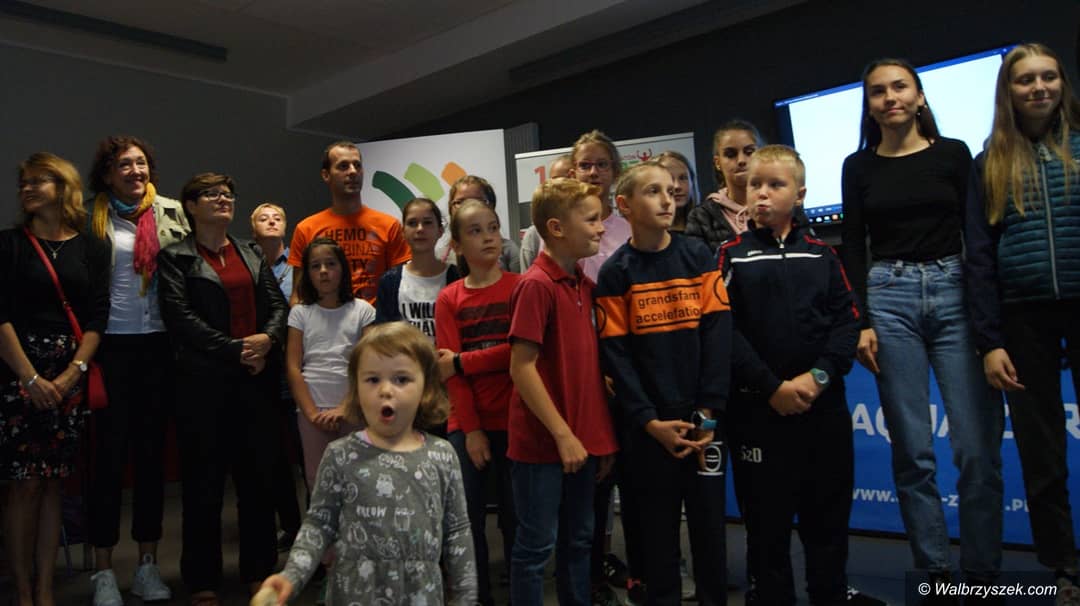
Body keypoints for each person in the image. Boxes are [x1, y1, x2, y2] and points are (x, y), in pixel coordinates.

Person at [840, 59, 1003, 592]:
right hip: (889, 298)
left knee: (975, 449)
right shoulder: (857, 166)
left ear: (920, 96)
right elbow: (854, 247)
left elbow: (977, 236)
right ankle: (935, 573)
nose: (890, 97)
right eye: (878, 91)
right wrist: (862, 319)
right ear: (869, 106)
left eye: (900, 87)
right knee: (913, 451)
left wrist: (986, 317)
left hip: (955, 291)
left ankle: (981, 576)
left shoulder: (954, 154)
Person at [720, 145, 868, 606]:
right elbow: (723, 329)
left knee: (828, 523)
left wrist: (818, 378)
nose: (761, 193)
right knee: (766, 528)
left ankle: (830, 594)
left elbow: (847, 322)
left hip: (823, 412)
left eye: (775, 184)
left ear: (799, 195)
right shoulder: (730, 256)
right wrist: (772, 387)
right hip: (758, 413)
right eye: (754, 185)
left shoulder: (823, 255)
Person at [965, 42, 1080, 601]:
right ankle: (1063, 567)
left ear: (1062, 83)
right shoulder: (989, 163)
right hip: (1023, 317)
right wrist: (990, 341)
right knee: (1042, 451)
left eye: (1048, 77)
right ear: (1008, 91)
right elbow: (980, 256)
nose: (1038, 88)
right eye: (1025, 80)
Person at [258, 321, 478, 606]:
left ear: (425, 387)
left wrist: (466, 598)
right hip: (353, 596)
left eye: (401, 379)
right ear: (356, 389)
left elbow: (458, 533)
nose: (386, 390)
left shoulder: (442, 455)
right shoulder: (340, 455)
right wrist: (291, 576)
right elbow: (318, 525)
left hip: (420, 597)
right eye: (373, 380)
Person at [595, 161, 730, 605]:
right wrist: (650, 421)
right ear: (624, 205)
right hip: (649, 431)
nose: (667, 200)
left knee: (710, 533)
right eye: (653, 192)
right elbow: (617, 357)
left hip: (703, 422)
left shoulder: (698, 255)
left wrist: (708, 410)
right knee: (657, 539)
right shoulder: (615, 273)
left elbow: (718, 334)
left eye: (671, 192)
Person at [157, 172, 288, 605]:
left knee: (257, 484)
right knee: (203, 487)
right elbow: (180, 318)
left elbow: (278, 306)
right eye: (211, 194)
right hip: (202, 386)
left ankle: (259, 570)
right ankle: (202, 580)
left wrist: (267, 340)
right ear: (191, 206)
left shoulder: (250, 251)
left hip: (254, 384)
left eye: (227, 193)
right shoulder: (175, 257)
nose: (222, 199)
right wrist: (236, 349)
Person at [81, 135, 186, 606]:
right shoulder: (88, 217)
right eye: (124, 164)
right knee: (107, 461)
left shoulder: (171, 213)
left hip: (158, 346)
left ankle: (147, 565)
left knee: (150, 459)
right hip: (110, 348)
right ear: (107, 174)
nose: (135, 171)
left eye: (141, 163)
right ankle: (103, 571)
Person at [1, 152, 110, 606]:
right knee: (24, 485)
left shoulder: (92, 247)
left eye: (38, 180)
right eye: (23, 182)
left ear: (63, 187)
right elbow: (0, 317)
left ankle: (46, 590)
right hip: (17, 373)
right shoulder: (8, 244)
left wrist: (72, 374)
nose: (27, 188)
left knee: (53, 485)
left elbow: (97, 317)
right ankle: (23, 592)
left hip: (70, 374)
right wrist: (29, 378)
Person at [507, 177, 618, 606]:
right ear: (556, 228)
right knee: (536, 547)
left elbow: (589, 376)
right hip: (542, 446)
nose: (600, 227)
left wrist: (598, 439)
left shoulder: (585, 286)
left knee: (579, 540)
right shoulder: (535, 285)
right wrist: (562, 434)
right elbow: (522, 368)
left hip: (582, 444)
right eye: (590, 219)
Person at [435, 199, 520, 606]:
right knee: (467, 522)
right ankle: (477, 596)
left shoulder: (521, 287)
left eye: (493, 227)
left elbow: (520, 353)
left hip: (517, 421)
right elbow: (447, 371)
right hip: (467, 425)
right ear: (456, 245)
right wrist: (471, 431)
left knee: (516, 518)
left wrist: (463, 361)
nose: (488, 237)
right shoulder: (449, 298)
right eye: (475, 231)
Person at [286, 237, 375, 491]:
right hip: (312, 407)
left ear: (343, 268)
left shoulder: (362, 310)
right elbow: (293, 367)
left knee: (357, 478)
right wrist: (312, 414)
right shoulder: (300, 313)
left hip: (354, 406)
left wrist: (346, 407)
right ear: (307, 273)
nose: (323, 271)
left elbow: (368, 365)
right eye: (315, 266)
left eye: (330, 264)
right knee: (318, 480)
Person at [288, 141, 411, 304]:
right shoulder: (306, 229)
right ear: (326, 175)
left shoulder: (389, 226)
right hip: (323, 317)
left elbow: (402, 288)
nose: (353, 171)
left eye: (357, 165)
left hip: (376, 317)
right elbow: (298, 294)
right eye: (343, 166)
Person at [250, 202, 304, 553]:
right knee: (272, 454)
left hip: (296, 367)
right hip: (260, 366)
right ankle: (290, 524)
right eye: (263, 218)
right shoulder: (245, 262)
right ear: (252, 228)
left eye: (278, 217)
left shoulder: (297, 266)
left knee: (303, 451)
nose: (271, 221)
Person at [374, 197, 460, 334]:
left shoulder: (457, 277)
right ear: (403, 232)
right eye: (412, 223)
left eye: (427, 222)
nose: (420, 229)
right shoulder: (389, 281)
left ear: (440, 230)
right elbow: (384, 335)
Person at [685, 120, 763, 253]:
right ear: (717, 163)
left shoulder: (779, 207)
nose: (741, 160)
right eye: (730, 154)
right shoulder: (701, 217)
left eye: (749, 152)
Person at [436, 175, 521, 274]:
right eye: (460, 202)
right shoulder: (440, 258)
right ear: (450, 209)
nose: (469, 207)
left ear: (491, 206)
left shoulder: (508, 251)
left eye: (478, 201)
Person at [520, 154, 573, 269]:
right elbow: (527, 278)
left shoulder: (590, 230)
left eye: (568, 179)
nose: (561, 186)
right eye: (555, 181)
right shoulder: (534, 235)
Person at [654, 151, 700, 233]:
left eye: (683, 178)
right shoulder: (645, 235)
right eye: (669, 178)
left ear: (692, 182)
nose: (677, 186)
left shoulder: (708, 227)